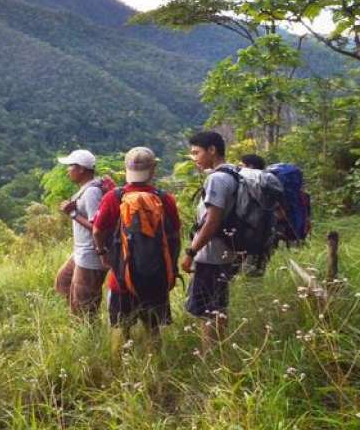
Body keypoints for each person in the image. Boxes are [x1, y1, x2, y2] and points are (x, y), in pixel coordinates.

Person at [93, 147, 181, 353]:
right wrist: (172, 269)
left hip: (122, 278)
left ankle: (120, 372)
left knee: (120, 329)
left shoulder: (114, 198)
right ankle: (154, 370)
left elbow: (97, 231)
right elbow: (175, 237)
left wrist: (103, 253)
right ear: (153, 170)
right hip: (156, 277)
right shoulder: (165, 198)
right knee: (153, 329)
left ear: (126, 169)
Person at [182, 131, 240, 351]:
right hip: (227, 251)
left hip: (212, 254)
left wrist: (191, 252)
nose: (194, 157)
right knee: (218, 306)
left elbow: (212, 221)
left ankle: (210, 357)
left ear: (212, 150)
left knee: (207, 310)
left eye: (196, 152)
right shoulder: (234, 171)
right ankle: (220, 352)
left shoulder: (217, 178)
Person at [53, 149, 109, 318]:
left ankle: (87, 330)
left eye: (71, 166)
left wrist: (72, 214)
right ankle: (76, 316)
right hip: (80, 252)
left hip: (91, 254)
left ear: (82, 169)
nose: (67, 170)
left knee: (84, 304)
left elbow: (98, 227)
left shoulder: (92, 192)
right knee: (63, 283)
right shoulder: (87, 188)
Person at [238, 154, 284, 277]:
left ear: (250, 165)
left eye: (242, 164)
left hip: (245, 222)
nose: (240, 167)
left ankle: (244, 279)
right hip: (266, 223)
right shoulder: (269, 177)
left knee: (242, 254)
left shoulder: (242, 175)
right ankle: (256, 279)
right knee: (260, 254)